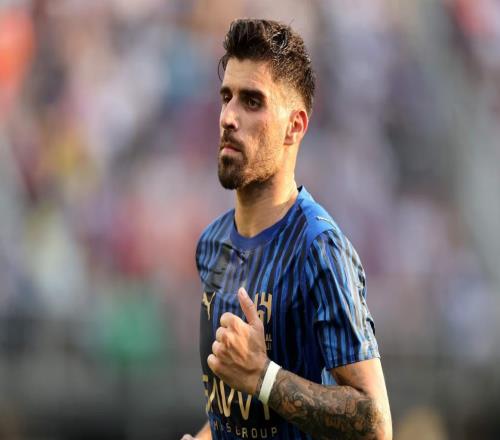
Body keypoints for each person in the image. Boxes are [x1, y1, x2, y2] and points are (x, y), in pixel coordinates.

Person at [182, 19, 392, 440]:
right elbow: (237, 411)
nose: (228, 117)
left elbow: (375, 423)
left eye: (252, 101)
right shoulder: (212, 244)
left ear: (294, 126)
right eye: (226, 97)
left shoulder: (319, 248)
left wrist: (264, 377)